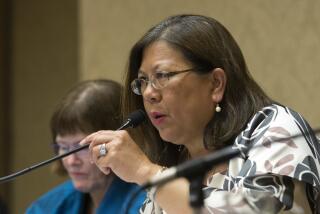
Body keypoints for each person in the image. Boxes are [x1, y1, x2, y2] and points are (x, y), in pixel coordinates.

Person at [82, 15, 320, 213]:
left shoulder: (275, 129)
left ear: (216, 83)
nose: (149, 94)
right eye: (143, 81)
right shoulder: (174, 160)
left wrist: (146, 172)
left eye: (162, 76)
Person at [26, 79, 145, 214]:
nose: (71, 161)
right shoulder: (47, 208)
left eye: (81, 148)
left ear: (117, 141)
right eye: (63, 147)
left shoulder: (150, 204)